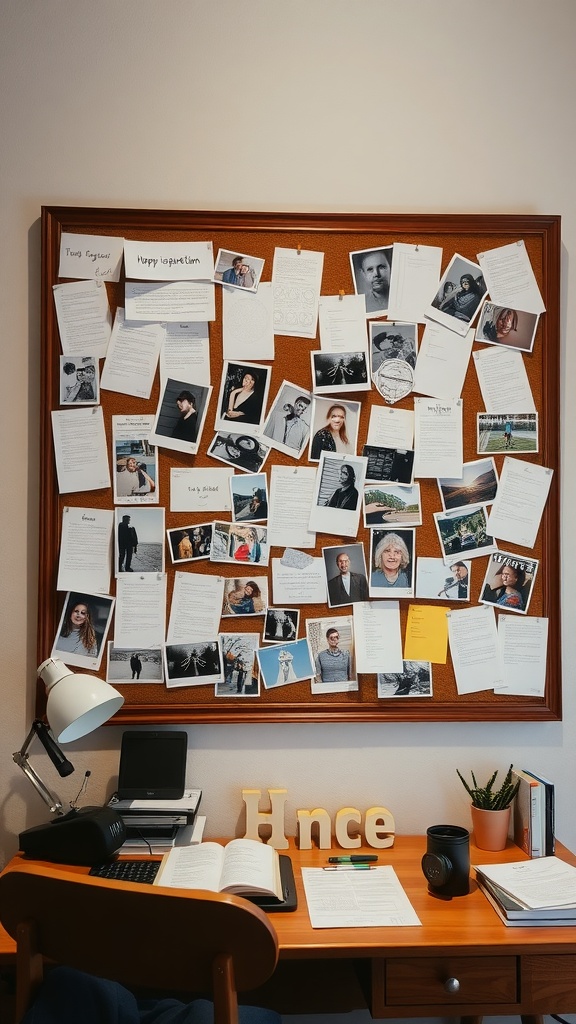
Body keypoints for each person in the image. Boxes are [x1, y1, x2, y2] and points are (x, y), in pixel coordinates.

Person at [355, 248, 391, 313]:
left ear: (390, 267)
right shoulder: (362, 305)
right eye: (370, 269)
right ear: (363, 274)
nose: (376, 274)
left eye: (381, 267)